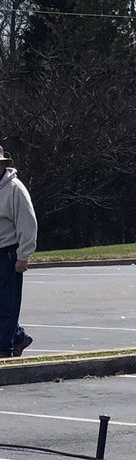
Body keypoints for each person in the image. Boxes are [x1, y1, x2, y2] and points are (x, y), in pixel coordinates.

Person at [0, 145, 37, 357]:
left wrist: (23, 256)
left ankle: (4, 348)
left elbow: (27, 224)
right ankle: (17, 336)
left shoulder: (15, 189)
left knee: (6, 304)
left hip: (7, 252)